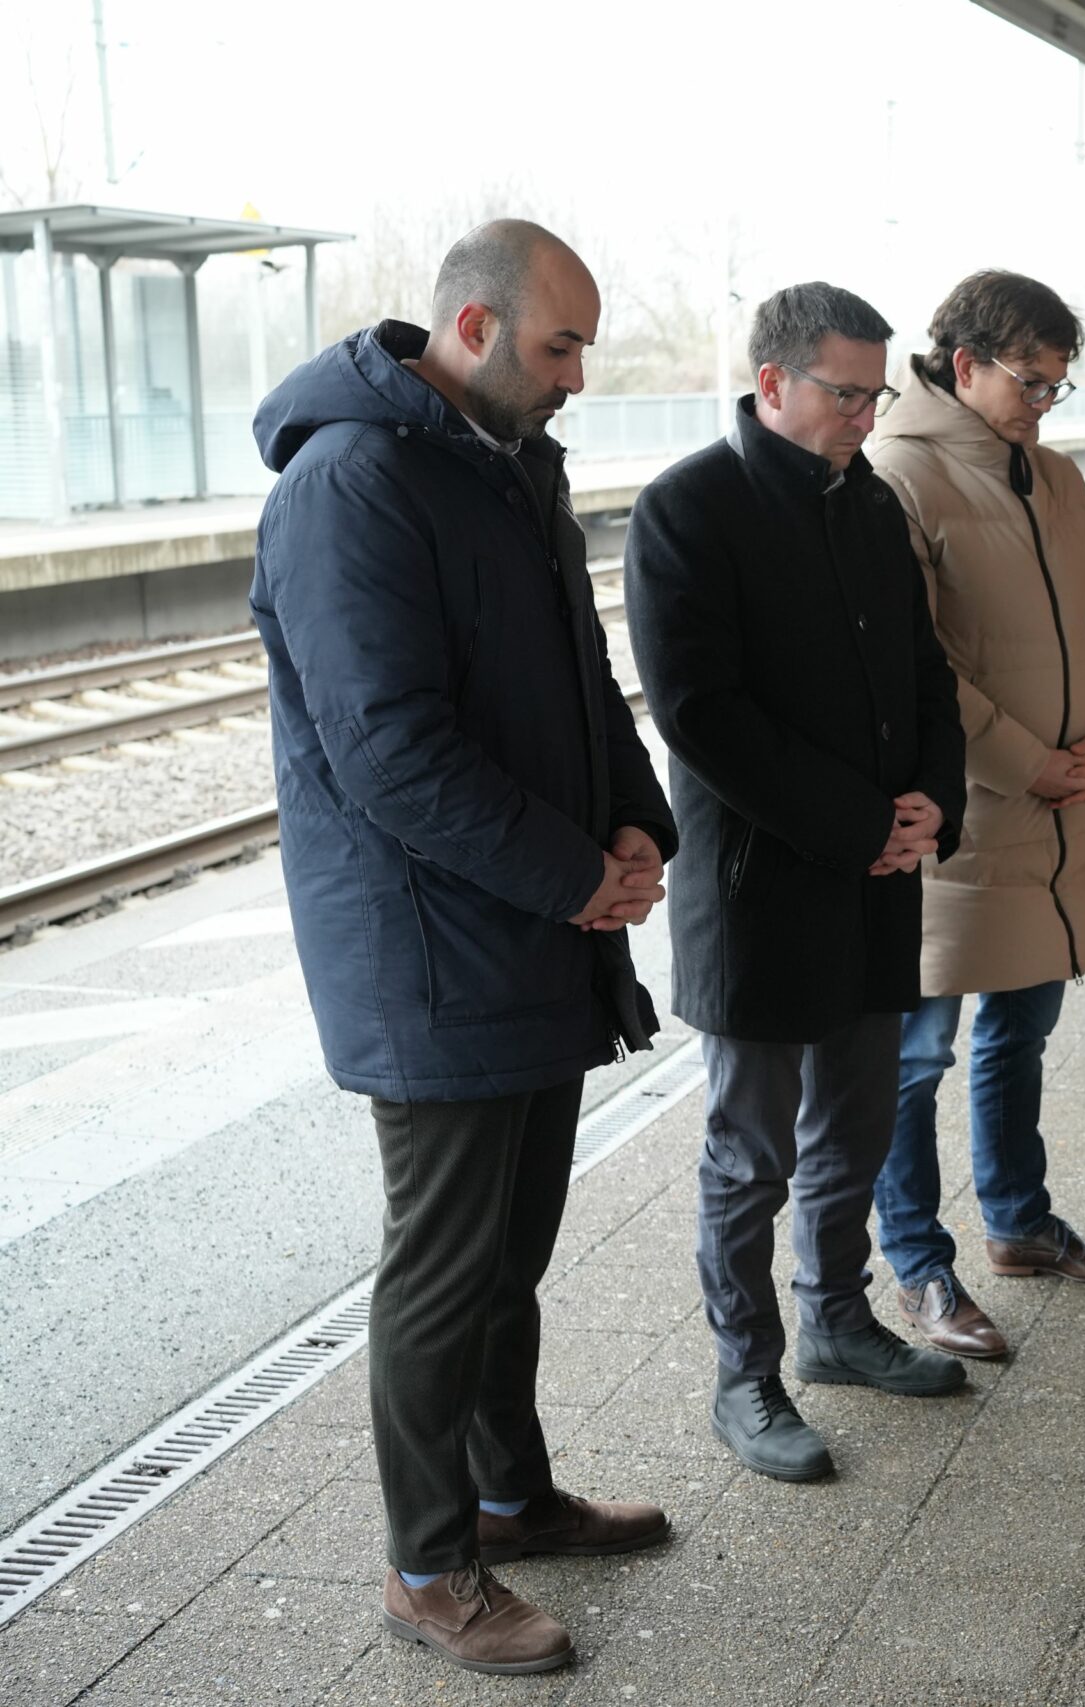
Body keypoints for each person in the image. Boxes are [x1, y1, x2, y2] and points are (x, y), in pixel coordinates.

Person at [248, 219, 675, 1677]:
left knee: (513, 1251)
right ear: (479, 331)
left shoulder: (509, 468)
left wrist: (638, 828)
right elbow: (389, 753)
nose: (577, 378)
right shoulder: (352, 480)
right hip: (433, 945)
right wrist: (575, 876)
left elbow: (583, 679)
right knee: (442, 1267)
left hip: (539, 923)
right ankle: (430, 1563)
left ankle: (511, 1494)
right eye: (561, 347)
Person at [623, 283, 971, 1485]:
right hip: (764, 889)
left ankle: (836, 1324)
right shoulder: (684, 510)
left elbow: (928, 671)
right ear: (772, 382)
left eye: (879, 393)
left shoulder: (865, 500)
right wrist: (861, 824)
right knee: (750, 1152)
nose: (867, 416)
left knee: (856, 1128)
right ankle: (746, 1377)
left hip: (874, 880)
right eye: (847, 392)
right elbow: (701, 714)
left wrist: (933, 802)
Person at [865, 270, 1085, 1360]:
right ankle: (918, 1268)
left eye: (1057, 386)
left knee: (1021, 1032)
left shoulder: (1057, 475)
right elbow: (917, 665)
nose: (1044, 402)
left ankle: (1020, 1225)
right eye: (1032, 381)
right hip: (971, 821)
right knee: (917, 1052)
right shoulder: (901, 476)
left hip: (1065, 811)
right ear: (963, 361)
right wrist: (1031, 762)